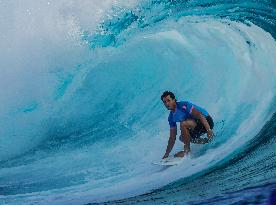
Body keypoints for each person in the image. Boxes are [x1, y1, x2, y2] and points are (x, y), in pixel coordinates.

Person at [161, 91, 214, 159]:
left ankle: (187, 150)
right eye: (164, 102)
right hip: (197, 127)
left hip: (206, 121)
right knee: (182, 138)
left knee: (183, 123)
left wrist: (209, 130)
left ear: (174, 100)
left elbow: (200, 115)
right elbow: (172, 137)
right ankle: (205, 141)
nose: (167, 103)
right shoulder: (171, 117)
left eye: (168, 100)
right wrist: (166, 154)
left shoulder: (184, 105)